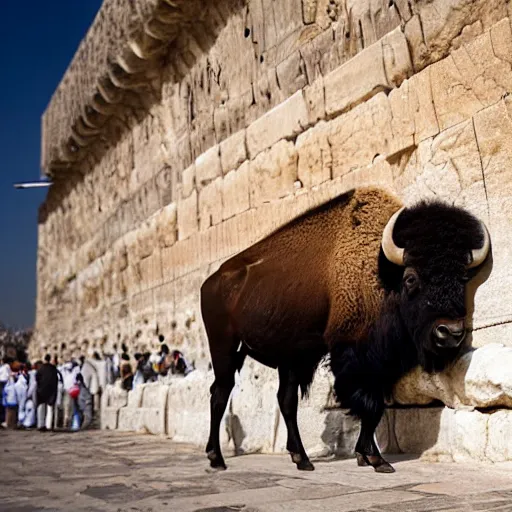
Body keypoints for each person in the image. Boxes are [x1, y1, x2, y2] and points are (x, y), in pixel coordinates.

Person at [35, 354, 58, 432]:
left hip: (41, 390)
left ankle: (40, 424)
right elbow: (56, 380)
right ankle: (48, 425)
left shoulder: (40, 368)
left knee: (41, 407)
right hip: (51, 390)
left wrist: (40, 386)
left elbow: (37, 378)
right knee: (50, 408)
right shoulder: (53, 369)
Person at [61, 360, 80, 428]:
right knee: (71, 408)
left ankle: (66, 422)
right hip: (72, 391)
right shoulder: (74, 371)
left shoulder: (64, 371)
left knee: (67, 408)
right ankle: (68, 422)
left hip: (68, 390)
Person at [0, 357, 12, 425]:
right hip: (3, 383)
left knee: (3, 400)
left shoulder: (5, 366)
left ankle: (3, 418)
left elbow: (9, 374)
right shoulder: (4, 367)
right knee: (2, 400)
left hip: (3, 383)